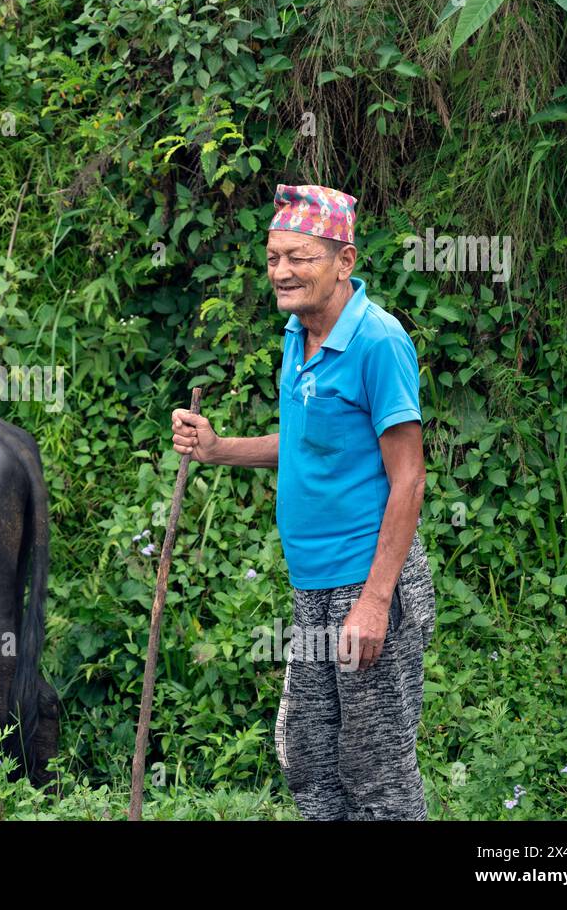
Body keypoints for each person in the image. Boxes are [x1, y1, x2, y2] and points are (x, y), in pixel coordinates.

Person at [171, 183, 436, 820]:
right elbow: (306, 442)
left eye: (300, 256)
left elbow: (410, 480)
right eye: (273, 257)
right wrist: (218, 448)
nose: (282, 272)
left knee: (377, 776)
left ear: (344, 262)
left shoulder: (378, 342)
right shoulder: (298, 336)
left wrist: (374, 603)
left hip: (366, 587)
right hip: (311, 586)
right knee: (309, 760)